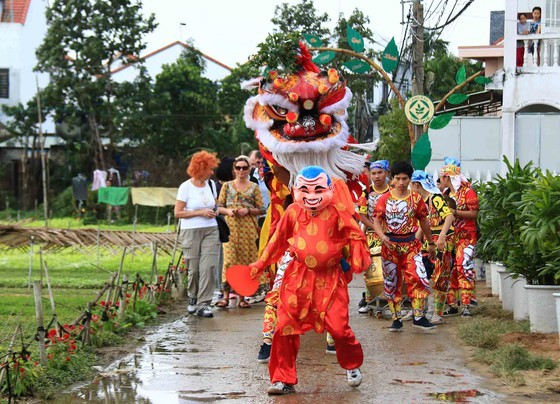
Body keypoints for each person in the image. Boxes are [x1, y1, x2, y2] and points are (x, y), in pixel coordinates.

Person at [244, 166, 370, 395]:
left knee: (339, 329)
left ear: (329, 189)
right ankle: (283, 379)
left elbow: (354, 233)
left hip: (330, 279)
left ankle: (352, 365)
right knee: (283, 326)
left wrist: (358, 250)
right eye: (305, 190)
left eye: (318, 190)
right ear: (296, 189)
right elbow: (276, 241)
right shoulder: (292, 211)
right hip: (298, 277)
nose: (311, 196)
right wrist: (259, 264)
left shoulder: (338, 211)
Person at [372, 161, 436, 332]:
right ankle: (396, 318)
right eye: (398, 178)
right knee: (392, 282)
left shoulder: (416, 199)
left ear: (410, 179)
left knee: (419, 277)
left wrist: (430, 243)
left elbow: (424, 221)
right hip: (390, 246)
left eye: (405, 179)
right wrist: (382, 236)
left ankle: (418, 317)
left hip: (411, 245)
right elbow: (376, 221)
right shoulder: (384, 199)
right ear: (392, 179)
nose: (401, 182)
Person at [174, 151, 224, 318]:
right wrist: (200, 212)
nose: (212, 172)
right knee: (194, 269)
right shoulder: (185, 187)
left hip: (211, 229)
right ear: (200, 168)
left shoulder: (211, 185)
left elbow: (215, 205)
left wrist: (215, 211)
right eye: (210, 168)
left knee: (209, 267)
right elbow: (178, 213)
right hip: (190, 231)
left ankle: (204, 304)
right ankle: (193, 297)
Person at [216, 155, 266, 308]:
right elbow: (218, 206)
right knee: (229, 261)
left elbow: (262, 209)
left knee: (245, 262)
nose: (241, 170)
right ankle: (225, 296)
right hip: (230, 228)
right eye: (238, 168)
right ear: (234, 170)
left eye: (244, 168)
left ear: (249, 169)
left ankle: (242, 297)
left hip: (248, 229)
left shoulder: (254, 187)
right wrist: (229, 212)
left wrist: (248, 210)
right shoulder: (227, 186)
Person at [410, 170, 455, 325]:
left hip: (442, 241)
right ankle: (418, 311)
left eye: (411, 184)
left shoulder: (435, 198)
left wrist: (442, 236)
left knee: (440, 277)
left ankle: (438, 313)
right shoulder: (419, 201)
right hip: (427, 241)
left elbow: (449, 216)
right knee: (420, 275)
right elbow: (424, 223)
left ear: (416, 184)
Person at [439, 157, 479, 317]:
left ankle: (467, 303)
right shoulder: (445, 194)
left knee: (464, 266)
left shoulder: (467, 192)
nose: (441, 179)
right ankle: (452, 304)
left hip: (466, 237)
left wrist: (455, 213)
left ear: (447, 177)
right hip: (450, 238)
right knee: (450, 269)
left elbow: (474, 214)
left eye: (442, 176)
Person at [357, 160, 391, 314]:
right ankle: (370, 298)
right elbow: (363, 217)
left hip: (392, 234)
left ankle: (395, 298)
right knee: (371, 268)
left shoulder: (394, 191)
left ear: (387, 173)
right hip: (373, 235)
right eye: (373, 173)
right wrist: (377, 230)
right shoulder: (366, 194)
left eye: (380, 172)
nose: (376, 176)